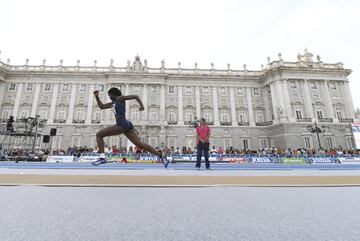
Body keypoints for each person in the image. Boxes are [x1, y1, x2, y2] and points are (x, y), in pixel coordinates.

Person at [92, 87, 168, 167]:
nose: (109, 97)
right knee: (139, 144)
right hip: (127, 124)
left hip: (121, 124)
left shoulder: (120, 98)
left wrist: (142, 106)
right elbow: (102, 106)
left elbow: (135, 96)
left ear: (114, 94)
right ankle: (160, 155)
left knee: (99, 134)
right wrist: (96, 96)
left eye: (110, 95)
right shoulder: (113, 103)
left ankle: (102, 157)